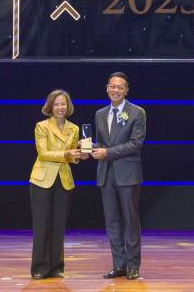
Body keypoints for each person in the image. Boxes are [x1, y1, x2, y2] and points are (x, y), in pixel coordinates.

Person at [92, 72, 146, 280]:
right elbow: (101, 143)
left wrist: (107, 152)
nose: (115, 90)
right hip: (106, 175)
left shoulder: (137, 112)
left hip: (128, 175)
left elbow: (135, 144)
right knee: (112, 222)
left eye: (120, 87)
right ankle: (119, 264)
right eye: (112, 86)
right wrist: (89, 148)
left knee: (130, 221)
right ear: (107, 88)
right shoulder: (100, 113)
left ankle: (132, 265)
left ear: (126, 90)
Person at [29, 89, 87, 280]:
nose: (60, 107)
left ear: (68, 106)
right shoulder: (41, 126)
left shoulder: (74, 128)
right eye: (56, 104)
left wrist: (79, 156)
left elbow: (71, 157)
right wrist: (66, 154)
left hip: (63, 180)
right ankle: (40, 268)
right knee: (42, 225)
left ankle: (56, 267)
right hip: (42, 180)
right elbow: (43, 153)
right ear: (50, 107)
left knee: (59, 225)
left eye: (63, 104)